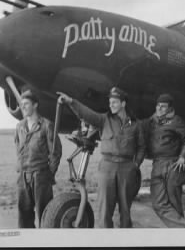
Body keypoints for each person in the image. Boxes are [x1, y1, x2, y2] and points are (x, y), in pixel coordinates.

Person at [57, 87, 145, 228]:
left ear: (123, 104)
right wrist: (71, 102)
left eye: (114, 102)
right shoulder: (104, 119)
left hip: (127, 169)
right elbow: (86, 114)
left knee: (125, 210)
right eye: (110, 102)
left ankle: (127, 241)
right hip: (107, 167)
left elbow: (141, 147)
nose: (111, 105)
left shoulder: (135, 124)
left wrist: (135, 165)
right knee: (104, 210)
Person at [142, 93, 185, 227]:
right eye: (158, 106)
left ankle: (180, 236)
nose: (159, 109)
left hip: (173, 165)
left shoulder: (176, 121)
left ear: (170, 108)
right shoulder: (151, 121)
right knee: (158, 203)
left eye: (163, 107)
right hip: (157, 163)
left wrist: (183, 157)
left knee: (174, 203)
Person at [15, 90, 62, 228]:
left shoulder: (47, 125)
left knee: (45, 215)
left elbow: (55, 152)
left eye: (26, 104)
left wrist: (49, 174)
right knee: (23, 217)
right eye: (21, 104)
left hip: (40, 176)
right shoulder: (19, 127)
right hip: (23, 177)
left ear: (35, 105)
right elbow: (18, 149)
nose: (22, 107)